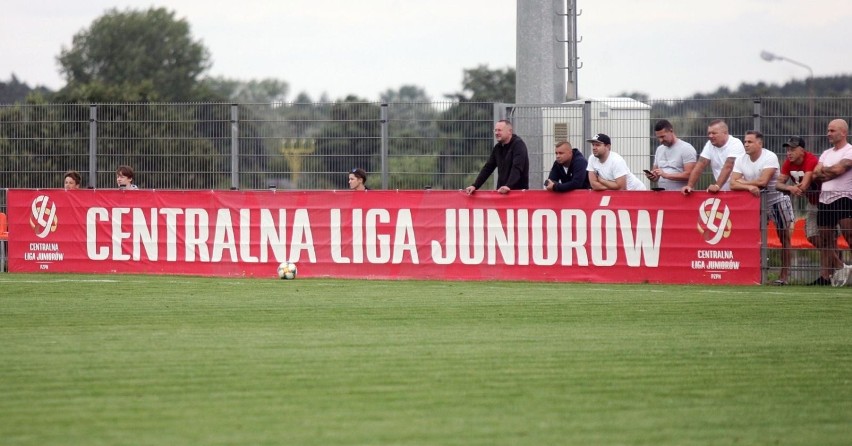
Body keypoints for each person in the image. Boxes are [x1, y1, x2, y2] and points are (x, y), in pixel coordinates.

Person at [730, 131, 793, 285]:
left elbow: (763, 181)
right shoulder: (740, 159)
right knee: (752, 237)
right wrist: (749, 187)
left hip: (777, 200)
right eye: (745, 141)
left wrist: (744, 183)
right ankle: (754, 273)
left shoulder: (769, 157)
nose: (746, 144)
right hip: (757, 203)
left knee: (784, 237)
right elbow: (732, 184)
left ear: (760, 144)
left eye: (750, 142)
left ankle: (784, 275)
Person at [811, 119, 852, 286]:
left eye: (832, 130)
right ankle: (826, 276)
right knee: (826, 240)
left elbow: (839, 169)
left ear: (843, 132)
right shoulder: (826, 153)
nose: (828, 133)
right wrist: (829, 171)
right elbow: (815, 174)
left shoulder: (849, 151)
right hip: (824, 199)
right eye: (828, 130)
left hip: (844, 198)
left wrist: (825, 171)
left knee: (850, 236)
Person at [776, 136, 821, 247]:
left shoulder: (811, 160)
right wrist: (791, 188)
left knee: (829, 236)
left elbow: (804, 186)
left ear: (802, 150)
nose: (789, 153)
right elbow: (777, 184)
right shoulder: (788, 163)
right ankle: (838, 263)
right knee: (812, 237)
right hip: (813, 202)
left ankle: (837, 263)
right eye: (787, 150)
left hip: (826, 202)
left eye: (792, 150)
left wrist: (791, 188)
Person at [681, 119, 745, 195]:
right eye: (709, 133)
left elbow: (728, 167)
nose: (710, 136)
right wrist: (689, 186)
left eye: (714, 133)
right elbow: (700, 165)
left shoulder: (735, 143)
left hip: (740, 190)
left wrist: (717, 186)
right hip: (722, 190)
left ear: (725, 133)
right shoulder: (709, 144)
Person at [465, 119, 529, 195]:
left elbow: (517, 168)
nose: (496, 133)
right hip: (501, 192)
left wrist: (508, 186)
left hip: (518, 193)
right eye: (495, 130)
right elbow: (488, 168)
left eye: (499, 130)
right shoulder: (497, 148)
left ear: (510, 131)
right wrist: (475, 186)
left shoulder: (518, 145)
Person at [645, 119, 697, 191]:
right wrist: (652, 176)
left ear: (671, 131)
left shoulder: (686, 148)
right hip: (662, 194)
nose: (661, 140)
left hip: (681, 195)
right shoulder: (659, 150)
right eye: (658, 138)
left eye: (663, 136)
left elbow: (690, 175)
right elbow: (656, 174)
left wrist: (666, 175)